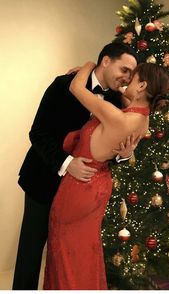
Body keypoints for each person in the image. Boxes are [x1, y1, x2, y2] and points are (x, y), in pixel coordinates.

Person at [13, 43, 138, 290]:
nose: (126, 78)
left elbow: (105, 148)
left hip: (79, 195)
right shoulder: (63, 85)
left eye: (130, 75)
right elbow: (37, 133)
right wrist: (67, 163)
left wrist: (124, 155)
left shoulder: (115, 101)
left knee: (66, 255)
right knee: (31, 253)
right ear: (105, 61)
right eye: (124, 70)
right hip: (43, 181)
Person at [43, 61, 169, 290]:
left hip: (79, 185)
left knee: (64, 250)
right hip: (101, 184)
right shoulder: (144, 119)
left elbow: (76, 88)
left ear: (142, 85)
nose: (125, 82)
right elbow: (128, 101)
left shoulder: (116, 116)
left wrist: (88, 65)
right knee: (86, 249)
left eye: (131, 79)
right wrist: (127, 153)